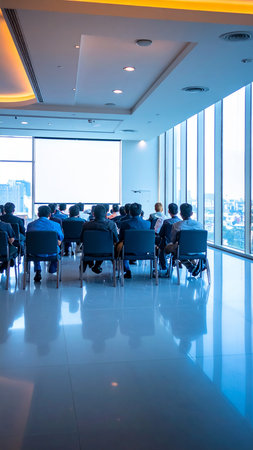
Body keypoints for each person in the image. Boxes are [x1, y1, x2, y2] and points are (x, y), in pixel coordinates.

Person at [27, 205, 64, 282]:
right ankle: (52, 268)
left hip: (35, 252)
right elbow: (60, 238)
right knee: (57, 248)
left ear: (38, 214)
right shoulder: (56, 225)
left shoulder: (30, 225)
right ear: (50, 214)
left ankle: (38, 270)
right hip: (52, 252)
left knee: (35, 246)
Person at [165, 203, 203, 275]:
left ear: (180, 214)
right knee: (185, 248)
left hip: (182, 251)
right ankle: (196, 264)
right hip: (198, 250)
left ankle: (190, 267)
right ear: (192, 213)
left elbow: (173, 240)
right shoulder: (199, 225)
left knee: (170, 249)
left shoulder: (176, 225)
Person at [80, 204, 118, 274]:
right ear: (106, 214)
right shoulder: (111, 224)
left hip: (89, 252)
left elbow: (82, 240)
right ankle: (97, 265)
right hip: (107, 252)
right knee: (104, 247)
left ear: (93, 214)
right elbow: (116, 239)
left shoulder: (86, 225)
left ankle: (88, 262)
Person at [118, 202, 151, 279]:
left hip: (128, 251)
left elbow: (121, 238)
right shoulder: (148, 224)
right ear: (140, 212)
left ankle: (127, 270)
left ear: (129, 212)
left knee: (120, 247)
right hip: (145, 251)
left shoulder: (124, 223)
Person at [157, 203, 180, 275]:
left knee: (162, 246)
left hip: (167, 244)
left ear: (169, 211)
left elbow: (161, 234)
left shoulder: (167, 222)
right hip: (178, 245)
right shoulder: (180, 222)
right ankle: (173, 263)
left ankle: (164, 266)